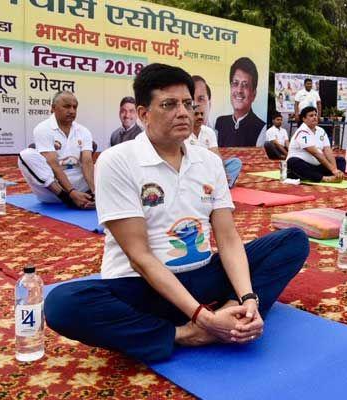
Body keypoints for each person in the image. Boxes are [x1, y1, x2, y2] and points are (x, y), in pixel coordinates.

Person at [44, 63, 309, 362]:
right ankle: (183, 334)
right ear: (144, 115)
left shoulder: (207, 162)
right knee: (61, 304)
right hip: (143, 286)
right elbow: (140, 257)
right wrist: (202, 319)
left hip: (201, 275)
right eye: (169, 104)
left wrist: (247, 298)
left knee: (292, 241)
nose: (184, 112)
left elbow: (228, 237)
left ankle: (234, 313)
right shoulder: (118, 161)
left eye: (187, 103)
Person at [18, 91, 95, 209]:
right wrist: (71, 193)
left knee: (107, 159)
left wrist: (95, 193)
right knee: (26, 155)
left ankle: (90, 197)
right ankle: (69, 200)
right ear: (53, 108)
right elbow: (53, 165)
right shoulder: (43, 128)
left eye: (75, 107)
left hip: (81, 186)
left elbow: (87, 163)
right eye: (67, 106)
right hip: (54, 190)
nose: (72, 111)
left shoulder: (83, 131)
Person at [215, 57, 266, 147]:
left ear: (254, 94)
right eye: (235, 83)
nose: (239, 90)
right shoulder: (220, 123)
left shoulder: (261, 128)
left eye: (245, 85)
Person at [286, 106, 345, 183]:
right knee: (293, 162)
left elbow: (328, 150)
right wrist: (333, 169)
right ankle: (324, 178)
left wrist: (335, 169)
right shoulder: (302, 132)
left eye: (315, 115)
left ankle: (332, 176)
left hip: (316, 166)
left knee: (340, 160)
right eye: (311, 116)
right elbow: (315, 153)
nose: (314, 117)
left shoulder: (321, 131)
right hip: (302, 165)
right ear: (304, 119)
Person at [187, 106, 243, 188]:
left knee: (236, 163)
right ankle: (216, 185)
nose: (200, 117)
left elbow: (216, 155)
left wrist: (223, 174)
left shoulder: (209, 131)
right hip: (193, 167)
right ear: (189, 116)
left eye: (201, 114)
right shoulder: (184, 133)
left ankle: (223, 185)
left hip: (210, 167)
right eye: (196, 114)